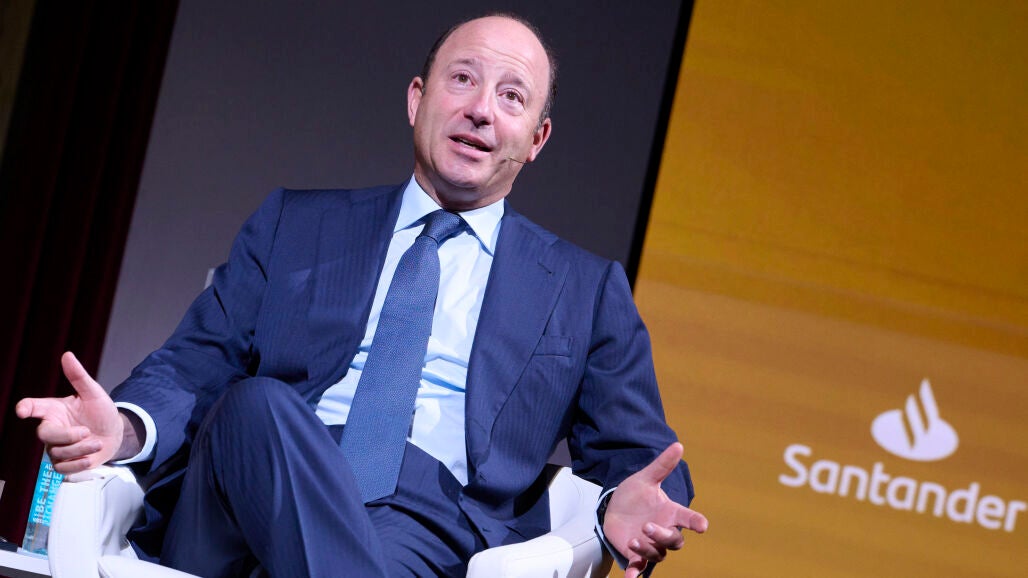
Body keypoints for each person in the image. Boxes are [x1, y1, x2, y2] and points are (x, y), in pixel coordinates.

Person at [17, 13, 707, 578]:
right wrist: (126, 428)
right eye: (462, 79)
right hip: (242, 493)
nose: (480, 110)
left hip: (423, 525)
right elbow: (195, 363)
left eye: (512, 97)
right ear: (416, 99)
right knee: (258, 405)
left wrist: (630, 504)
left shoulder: (584, 290)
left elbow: (640, 454)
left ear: (536, 140)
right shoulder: (296, 224)